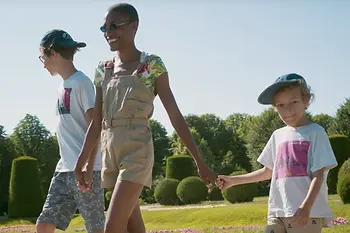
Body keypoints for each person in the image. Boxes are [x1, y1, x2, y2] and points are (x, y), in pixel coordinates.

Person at [74, 3, 217, 233]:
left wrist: (199, 162)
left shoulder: (151, 65)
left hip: (137, 150)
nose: (108, 33)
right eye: (104, 28)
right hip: (110, 151)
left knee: (112, 226)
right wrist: (82, 162)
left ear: (134, 27)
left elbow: (175, 116)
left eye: (114, 26)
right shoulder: (103, 68)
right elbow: (96, 121)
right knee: (132, 224)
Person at [216, 73, 338, 233]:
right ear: (275, 107)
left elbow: (318, 175)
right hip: (278, 210)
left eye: (293, 102)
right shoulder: (277, 135)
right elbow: (269, 172)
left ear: (306, 100)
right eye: (280, 105)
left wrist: (306, 206)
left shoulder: (316, 132)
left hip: (305, 213)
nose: (288, 109)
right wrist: (233, 180)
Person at [36, 29, 105, 233]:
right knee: (44, 223)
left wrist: (88, 166)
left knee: (96, 228)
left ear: (53, 53)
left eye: (43, 57)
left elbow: (96, 124)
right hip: (64, 169)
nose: (43, 63)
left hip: (86, 170)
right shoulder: (62, 86)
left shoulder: (82, 83)